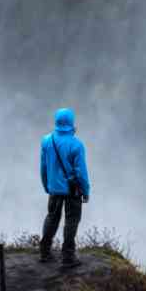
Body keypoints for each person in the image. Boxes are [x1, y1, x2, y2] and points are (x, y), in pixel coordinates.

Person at [39, 107, 91, 267]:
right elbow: (81, 172)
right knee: (72, 220)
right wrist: (86, 190)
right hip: (72, 190)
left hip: (54, 188)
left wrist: (46, 185)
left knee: (51, 218)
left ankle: (44, 252)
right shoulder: (76, 145)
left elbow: (43, 167)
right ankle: (68, 257)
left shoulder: (46, 141)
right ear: (71, 122)